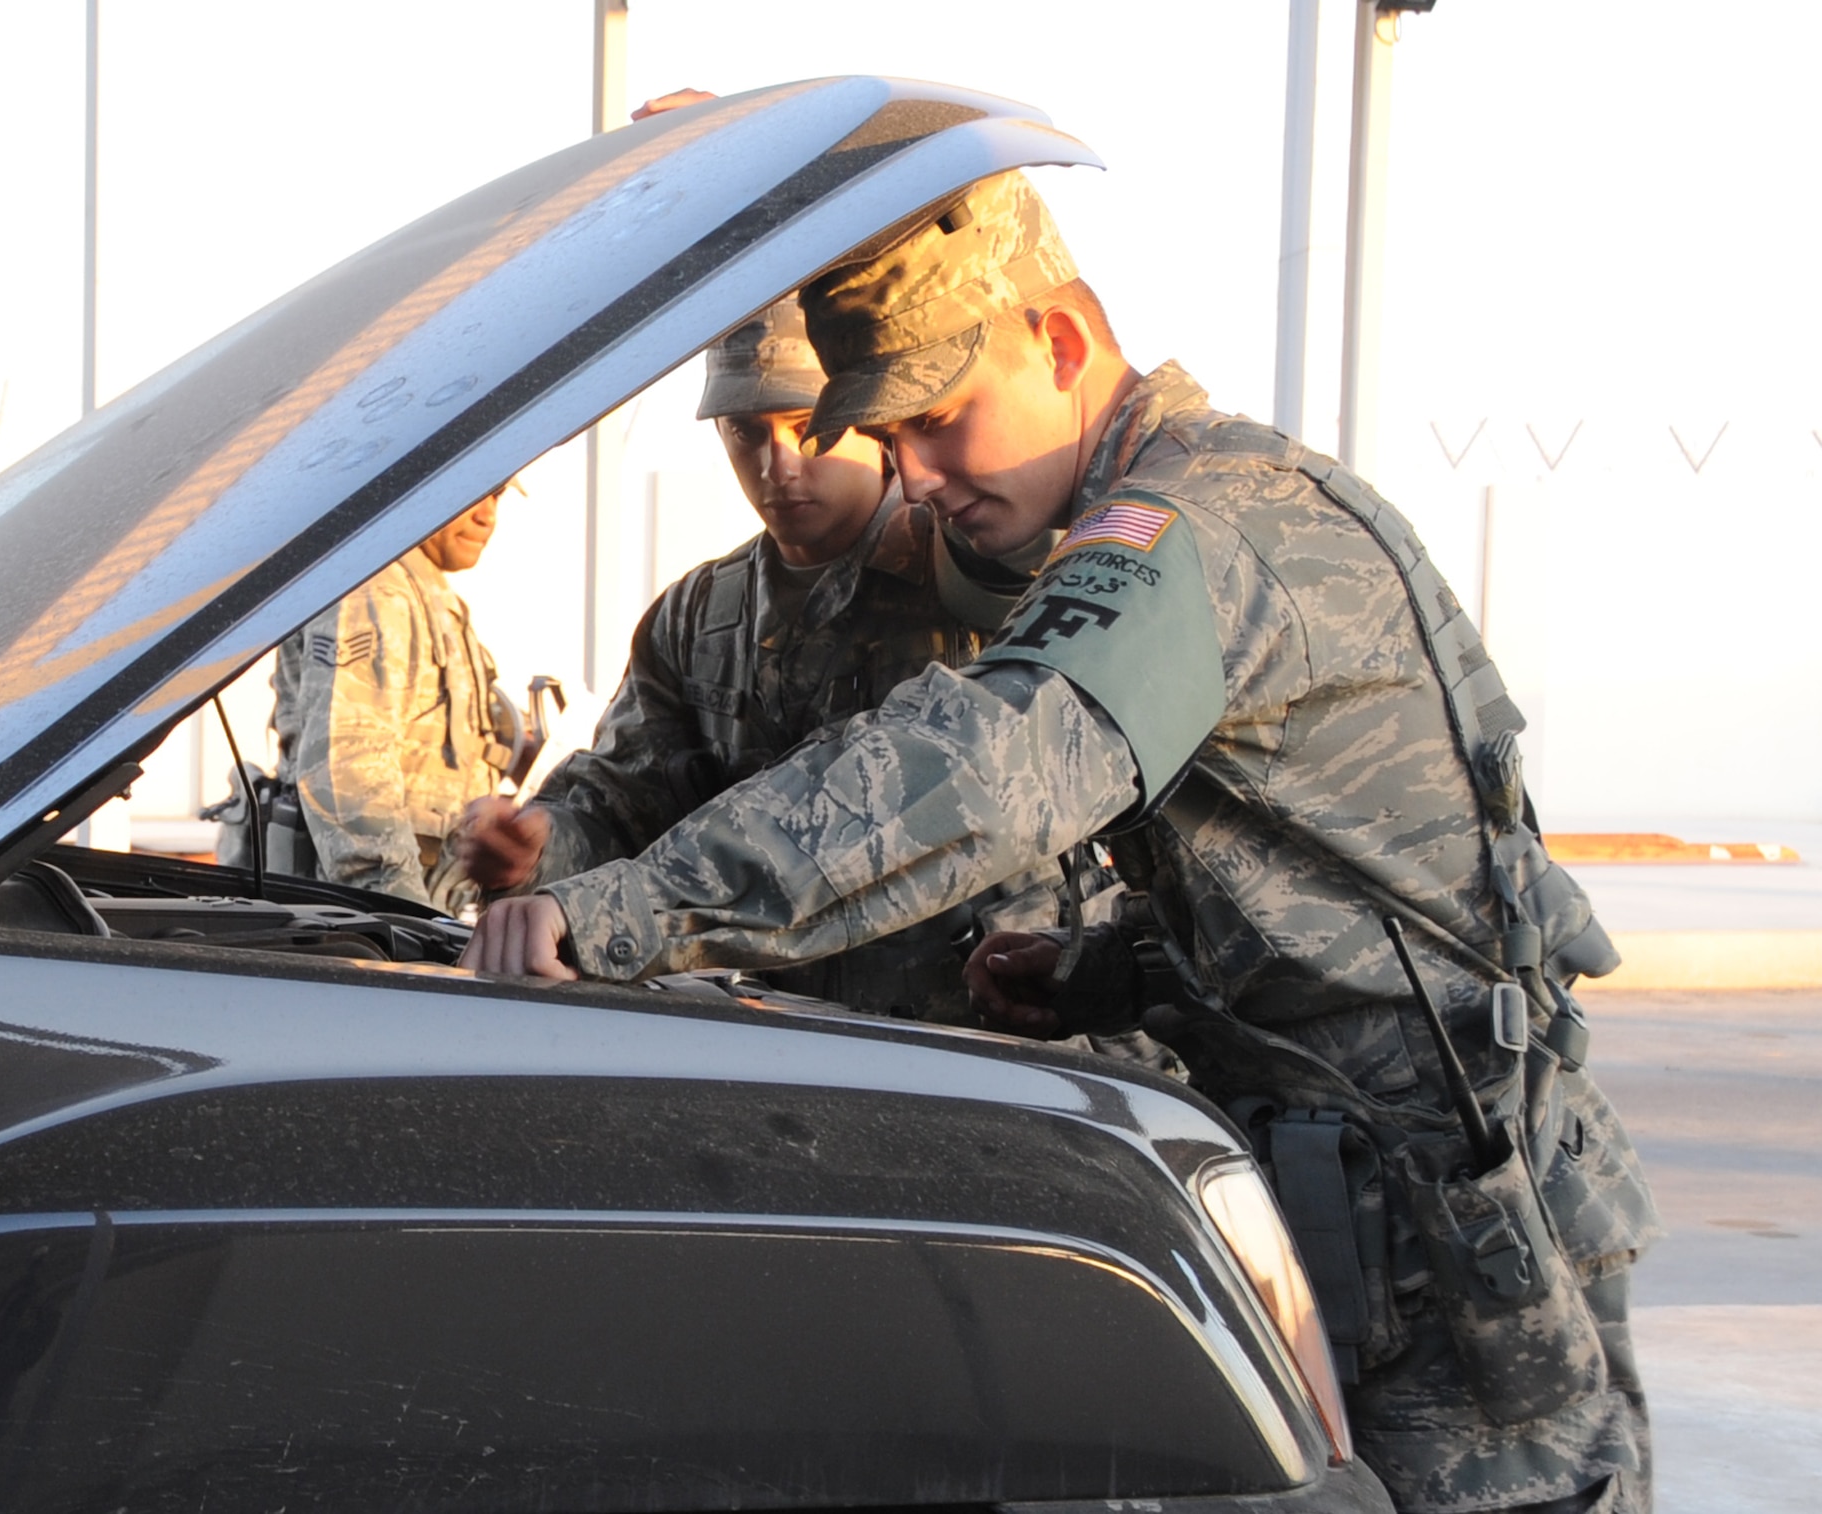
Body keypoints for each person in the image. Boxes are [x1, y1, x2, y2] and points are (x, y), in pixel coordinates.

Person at [462, 171, 1659, 1513]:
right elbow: (1330, 891)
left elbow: (990, 761)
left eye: (938, 417)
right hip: (1369, 1199)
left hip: (1436, 1232)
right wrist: (1103, 975)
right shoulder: (1175, 510)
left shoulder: (1190, 530)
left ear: (1065, 346)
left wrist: (621, 910)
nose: (917, 472)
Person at [458, 298, 1056, 1020]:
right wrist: (535, 849)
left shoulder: (973, 573)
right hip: (772, 1039)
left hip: (978, 1030)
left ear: (871, 424)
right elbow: (622, 804)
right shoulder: (697, 616)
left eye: (808, 428)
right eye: (746, 433)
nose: (777, 464)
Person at [266, 484, 522, 914]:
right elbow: (348, 768)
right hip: (379, 917)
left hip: (423, 904)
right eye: (476, 490)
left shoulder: (422, 587)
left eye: (498, 496)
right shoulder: (373, 589)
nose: (487, 515)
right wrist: (403, 919)